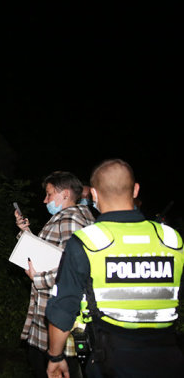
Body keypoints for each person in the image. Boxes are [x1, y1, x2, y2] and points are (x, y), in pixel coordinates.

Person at [46, 159, 184, 377]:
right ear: (135, 189)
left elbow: (64, 310)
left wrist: (56, 357)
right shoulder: (171, 239)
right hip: (168, 360)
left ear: (93, 195)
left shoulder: (86, 241)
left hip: (109, 363)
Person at [14, 171, 94, 378]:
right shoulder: (77, 216)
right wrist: (26, 233)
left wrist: (39, 279)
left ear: (65, 194)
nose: (45, 200)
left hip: (57, 313)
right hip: (56, 312)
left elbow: (77, 269)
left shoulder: (70, 220)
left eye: (49, 194)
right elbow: (52, 255)